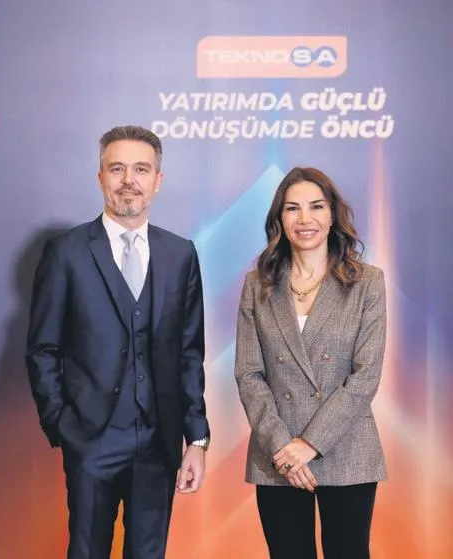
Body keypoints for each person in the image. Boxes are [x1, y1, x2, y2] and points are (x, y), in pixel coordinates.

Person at [26, 125, 210, 559]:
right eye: (117, 169)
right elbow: (43, 349)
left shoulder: (180, 254)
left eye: (141, 169)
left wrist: (197, 439)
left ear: (158, 180)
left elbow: (189, 353)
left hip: (159, 443)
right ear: (100, 178)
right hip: (90, 440)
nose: (129, 180)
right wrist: (62, 424)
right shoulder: (66, 252)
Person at [234, 167, 386, 559]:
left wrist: (310, 443)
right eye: (293, 208)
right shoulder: (258, 284)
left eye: (316, 207)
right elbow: (249, 374)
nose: (305, 219)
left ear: (333, 215)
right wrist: (283, 447)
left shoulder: (367, 281)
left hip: (347, 447)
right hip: (277, 454)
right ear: (280, 219)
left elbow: (365, 375)